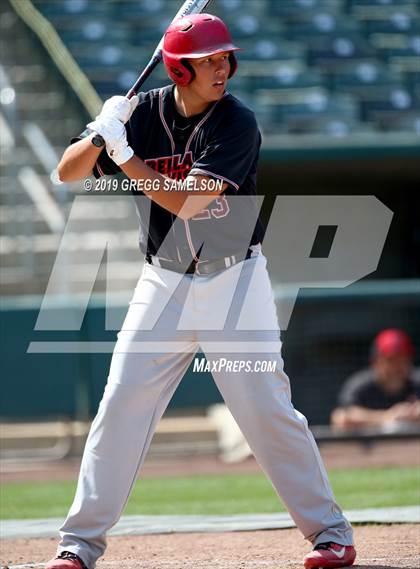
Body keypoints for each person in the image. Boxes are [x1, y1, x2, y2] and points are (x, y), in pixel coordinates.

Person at [47, 14, 355, 569]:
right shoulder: (140, 114)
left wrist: (122, 156)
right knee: (120, 404)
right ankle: (78, 545)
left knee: (265, 409)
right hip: (162, 282)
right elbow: (67, 174)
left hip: (234, 280)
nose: (223, 67)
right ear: (178, 68)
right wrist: (99, 130)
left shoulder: (237, 122)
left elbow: (188, 202)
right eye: (210, 59)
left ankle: (330, 534)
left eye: (224, 57)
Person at [331, 329, 420, 431]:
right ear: (376, 362)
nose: (398, 366)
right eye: (391, 360)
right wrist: (387, 417)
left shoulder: (417, 381)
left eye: (403, 359)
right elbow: (340, 418)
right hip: (372, 446)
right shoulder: (361, 386)